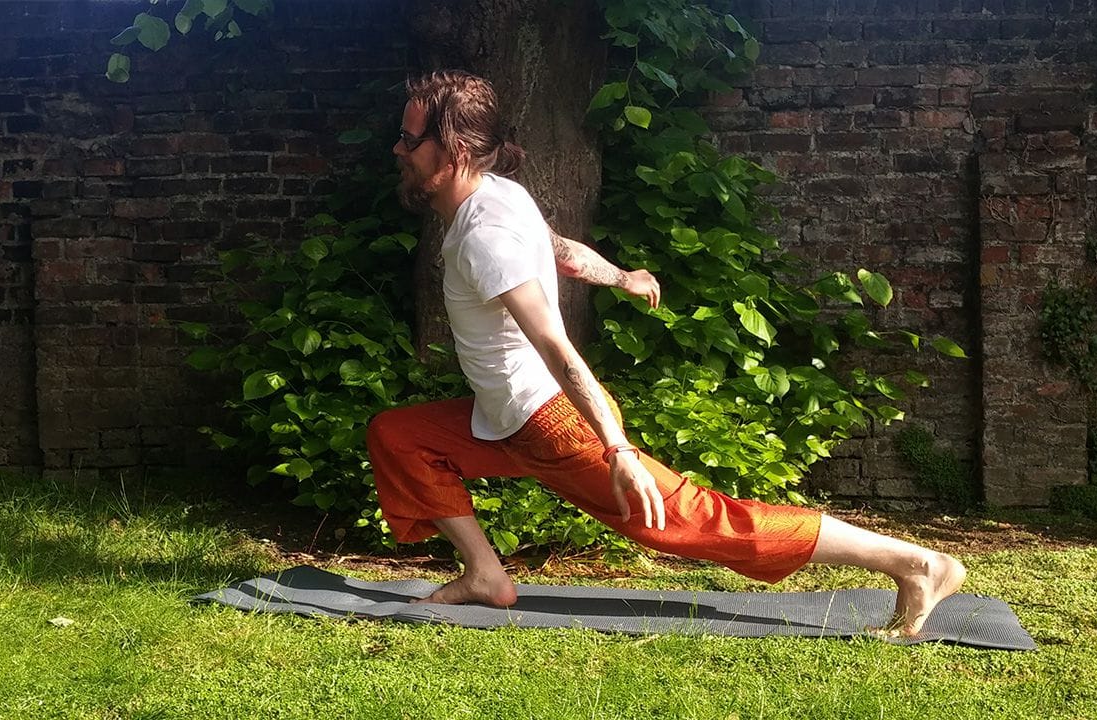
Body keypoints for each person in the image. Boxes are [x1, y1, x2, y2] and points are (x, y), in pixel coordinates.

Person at [366, 70, 965, 636]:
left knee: (694, 522)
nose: (398, 149)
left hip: (548, 420)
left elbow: (556, 347)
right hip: (503, 417)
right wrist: (621, 276)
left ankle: (915, 563)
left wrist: (617, 448)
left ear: (456, 149)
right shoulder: (499, 196)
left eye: (410, 139)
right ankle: (486, 576)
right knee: (400, 435)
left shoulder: (484, 235)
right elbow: (558, 249)